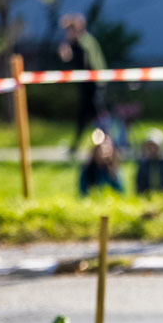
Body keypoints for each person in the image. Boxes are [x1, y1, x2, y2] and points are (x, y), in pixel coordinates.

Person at [57, 13, 108, 155]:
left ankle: (109, 145)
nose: (66, 34)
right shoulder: (77, 43)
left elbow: (89, 64)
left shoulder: (85, 42)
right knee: (84, 115)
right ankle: (76, 147)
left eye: (68, 30)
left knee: (98, 115)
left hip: (95, 85)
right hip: (87, 85)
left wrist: (68, 55)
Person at [133, 129, 163, 194]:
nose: (152, 150)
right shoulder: (143, 166)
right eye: (150, 147)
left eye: (155, 147)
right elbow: (139, 189)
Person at [77, 130, 123, 196]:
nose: (104, 151)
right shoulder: (87, 170)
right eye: (100, 148)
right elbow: (83, 193)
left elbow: (120, 192)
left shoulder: (113, 170)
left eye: (107, 148)